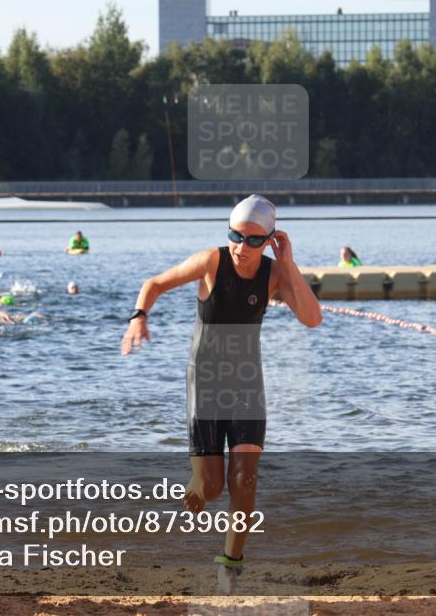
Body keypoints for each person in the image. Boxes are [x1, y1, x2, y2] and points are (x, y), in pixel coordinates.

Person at [121, 194, 321, 588]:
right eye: (235, 236)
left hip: (248, 383)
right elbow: (155, 283)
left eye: (251, 240)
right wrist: (138, 317)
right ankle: (197, 483)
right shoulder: (212, 261)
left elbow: (312, 318)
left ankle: (230, 565)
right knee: (212, 489)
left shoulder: (274, 274)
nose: (240, 247)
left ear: (268, 240)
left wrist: (289, 265)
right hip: (205, 384)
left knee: (245, 478)